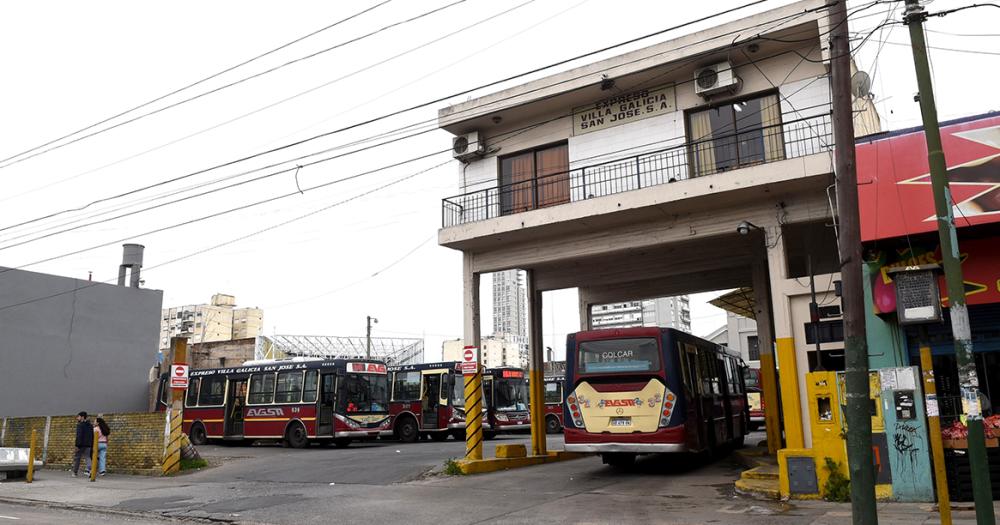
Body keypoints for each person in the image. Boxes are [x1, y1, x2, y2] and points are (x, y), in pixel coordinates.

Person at [72, 411, 93, 477]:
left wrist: (77, 445)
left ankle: (75, 472)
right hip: (88, 444)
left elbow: (79, 435)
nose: (77, 418)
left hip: (80, 445)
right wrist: (91, 444)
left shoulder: (80, 425)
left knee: (77, 458)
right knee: (88, 457)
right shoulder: (90, 425)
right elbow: (92, 435)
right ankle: (91, 470)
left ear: (82, 417)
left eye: (78, 416)